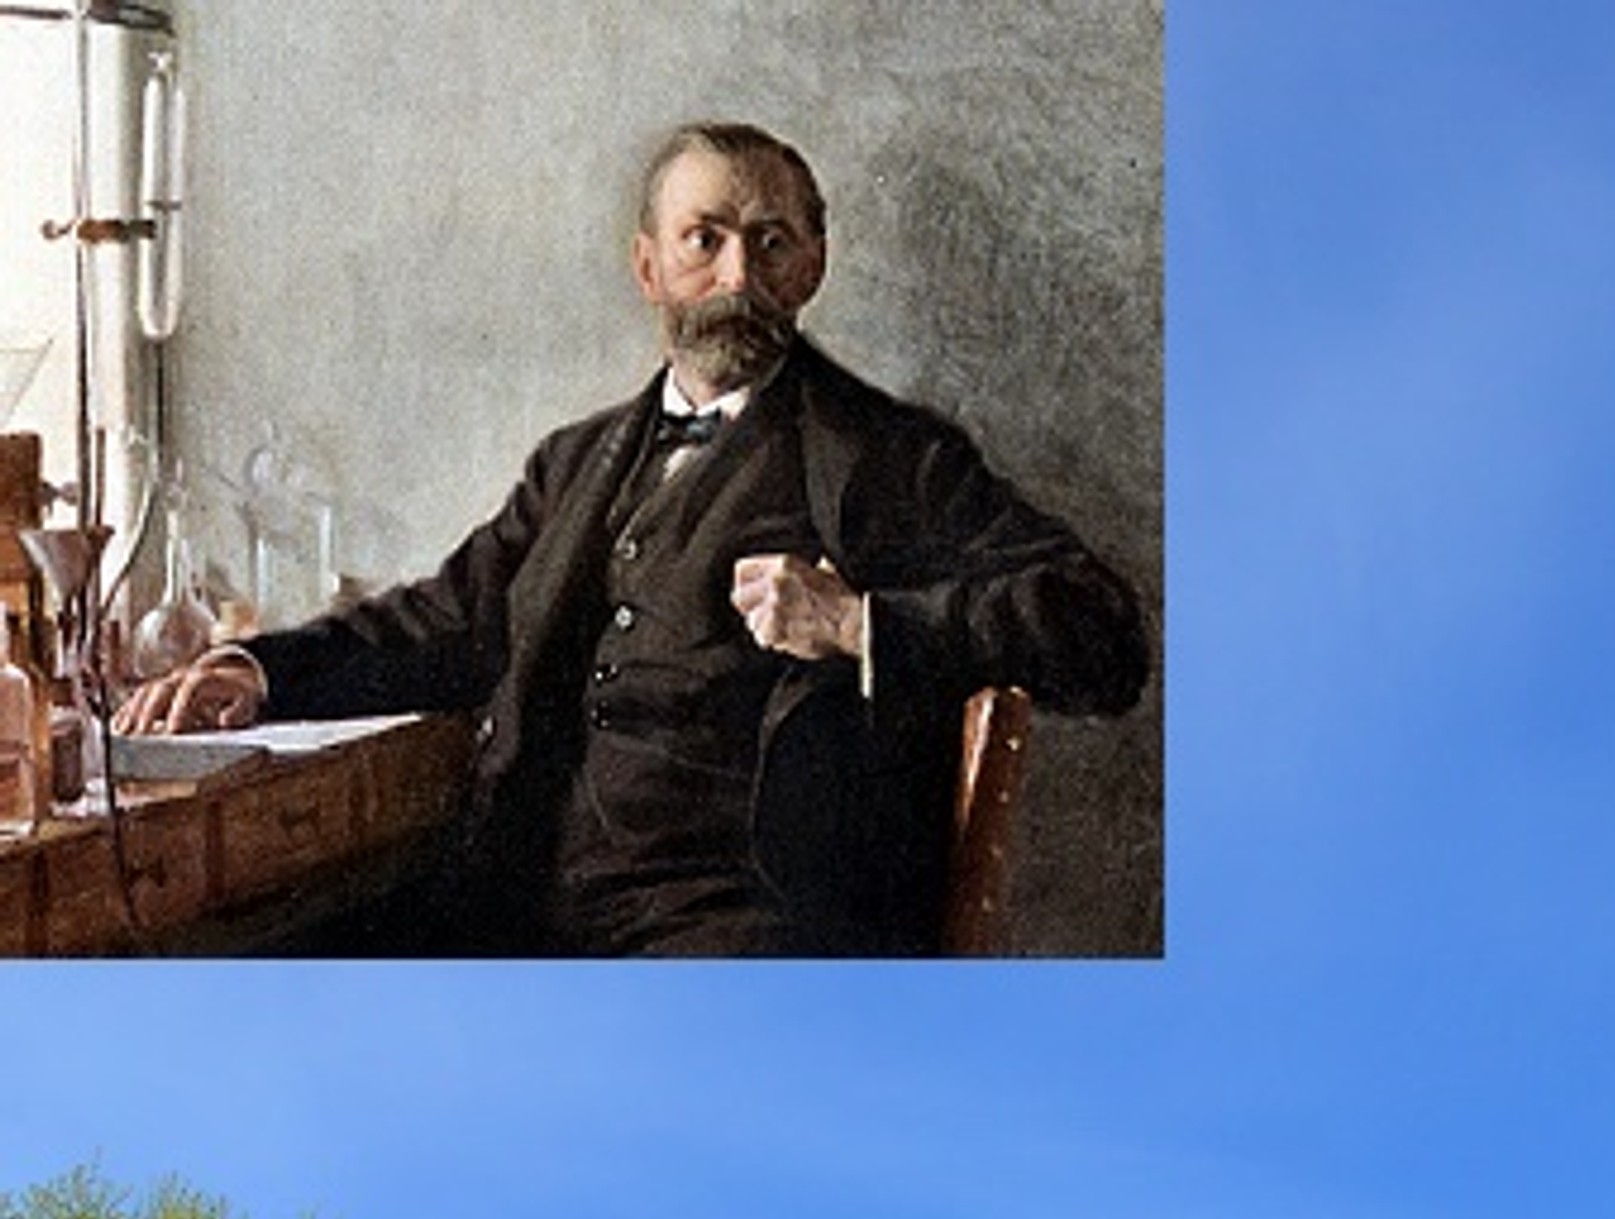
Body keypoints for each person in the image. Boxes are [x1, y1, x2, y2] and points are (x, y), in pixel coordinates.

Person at [111, 120, 1145, 957]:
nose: (738, 272)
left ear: (813, 268)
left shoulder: (882, 457)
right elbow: (448, 619)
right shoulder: (576, 461)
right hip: (527, 899)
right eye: (706, 239)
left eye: (771, 241)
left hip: (741, 926)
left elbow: (1102, 632)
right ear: (648, 267)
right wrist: (256, 670)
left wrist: (860, 621)